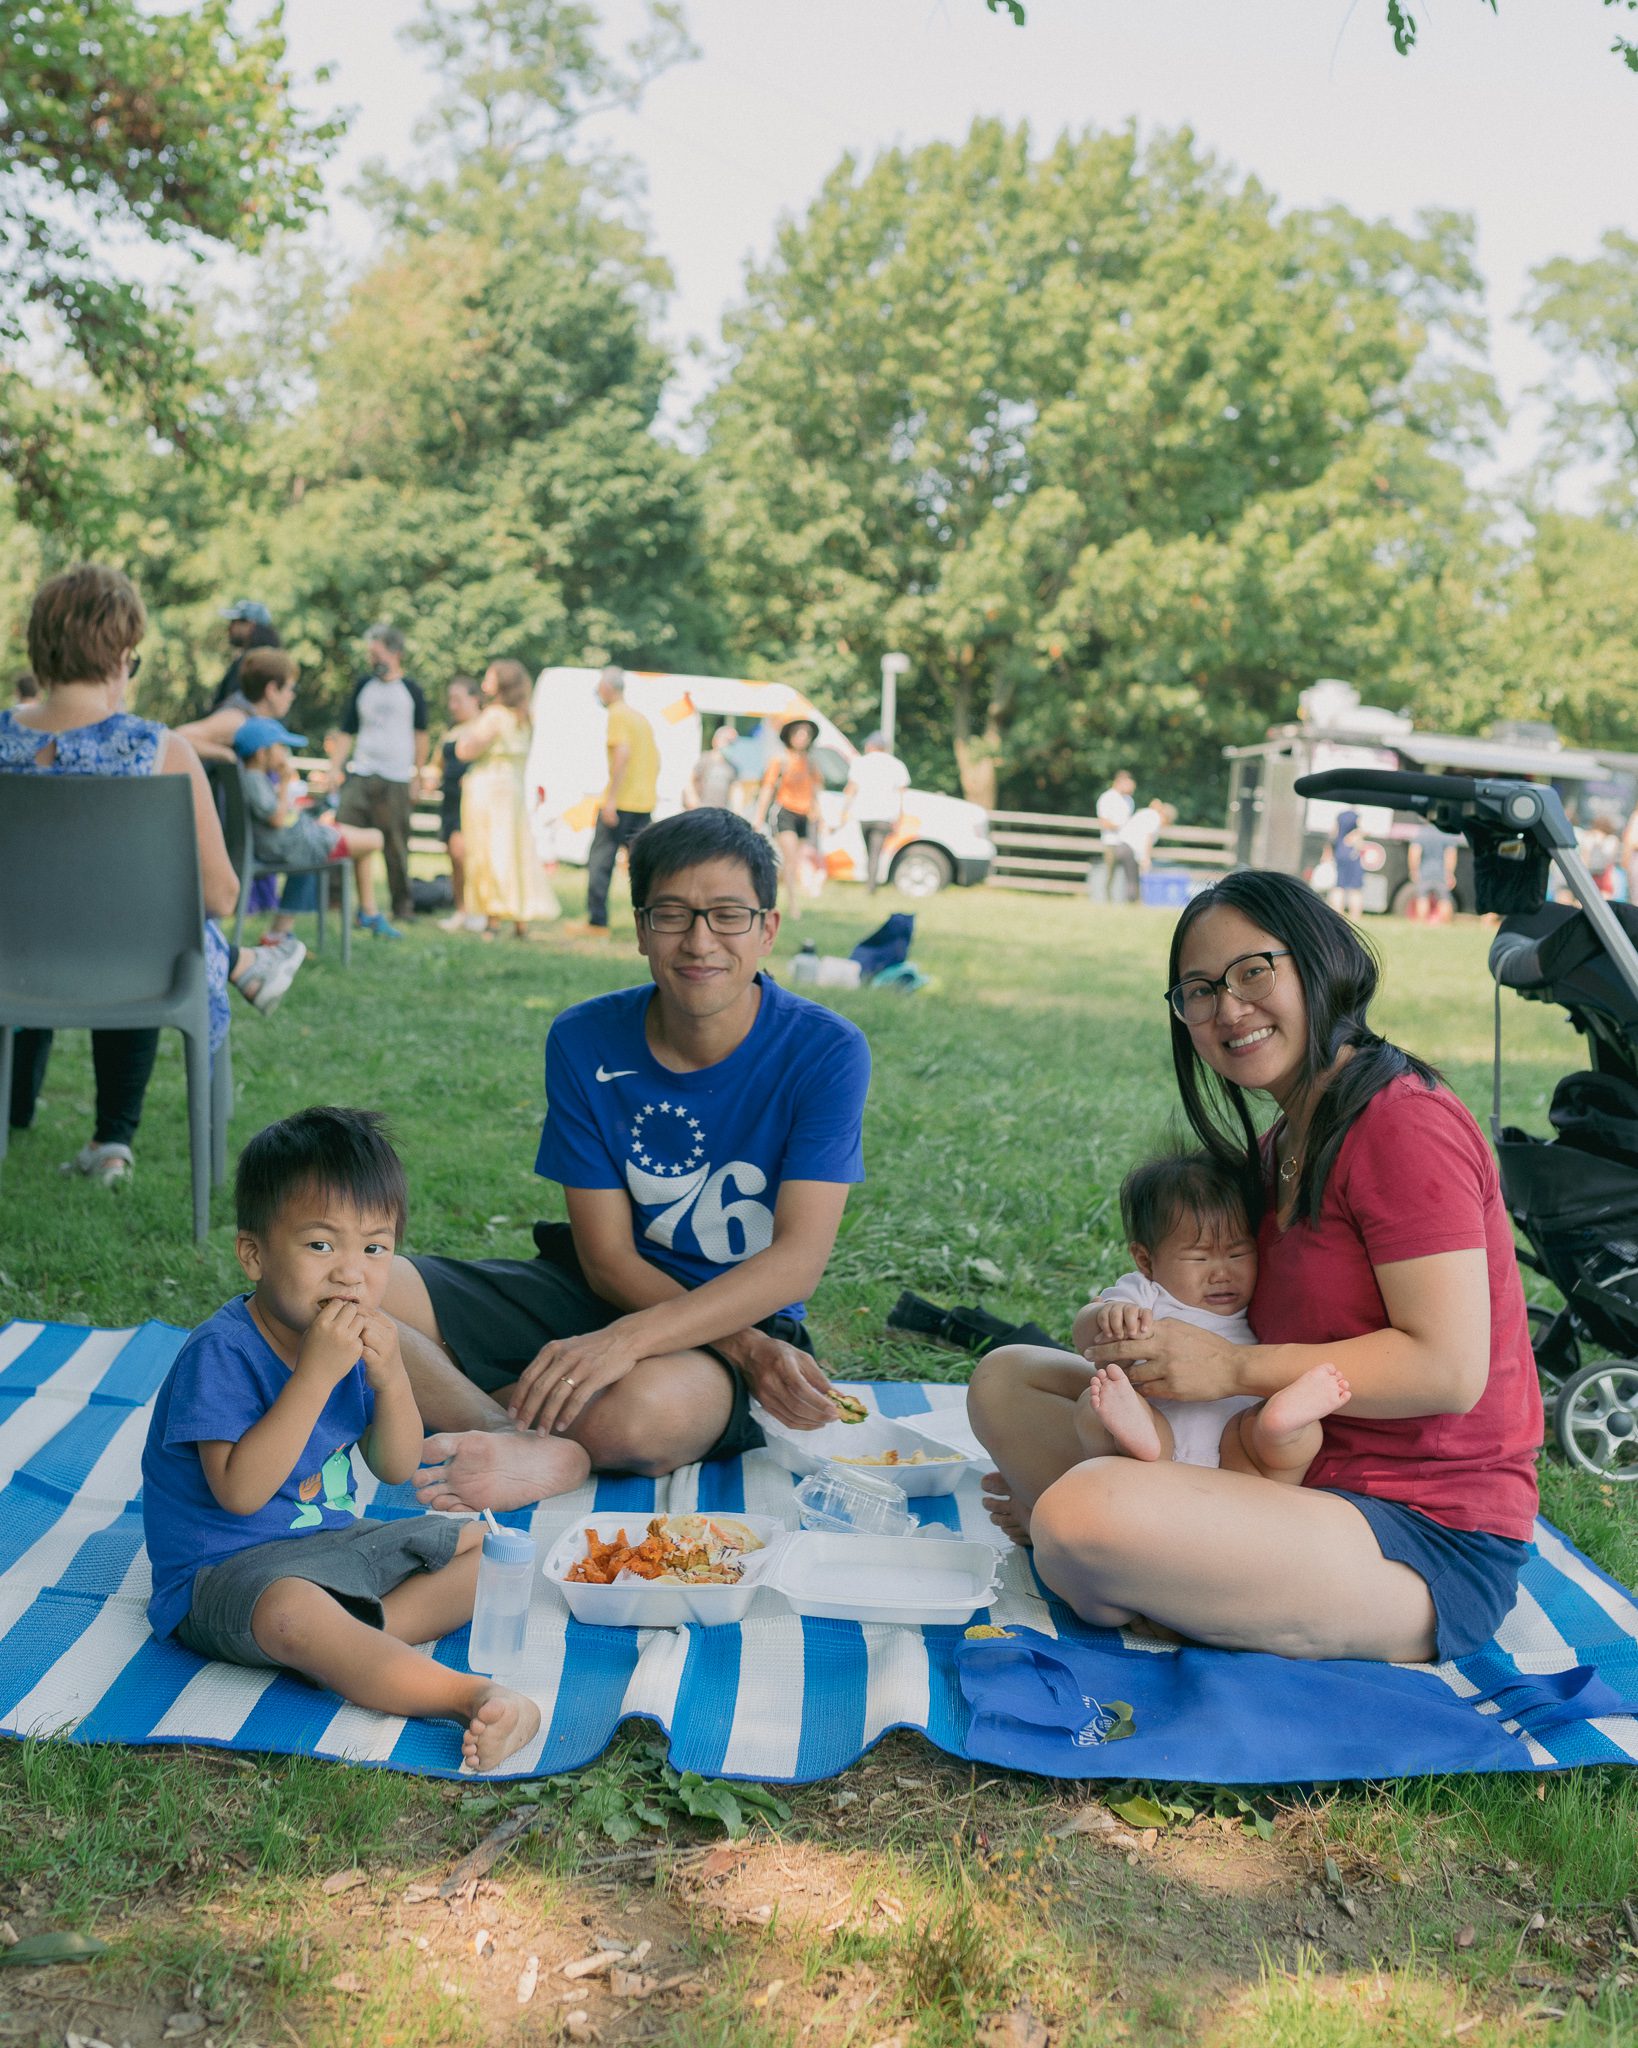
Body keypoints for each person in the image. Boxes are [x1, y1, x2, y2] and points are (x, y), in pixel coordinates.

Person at [968, 869, 1542, 1665]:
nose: (1228, 1009)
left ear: (1318, 959)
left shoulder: (1404, 1125)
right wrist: (1138, 1335)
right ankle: (1154, 1569)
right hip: (1275, 1473)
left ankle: (1113, 1565)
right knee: (1007, 1377)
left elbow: (1447, 1370)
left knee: (1078, 1516)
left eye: (1252, 972)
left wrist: (1232, 1365)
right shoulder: (1283, 1143)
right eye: (1199, 990)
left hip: (1416, 1534)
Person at [381, 807, 874, 1511]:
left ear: (767, 928)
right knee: (351, 1286)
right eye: (672, 914)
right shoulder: (585, 1038)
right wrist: (614, 1341)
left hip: (736, 1323)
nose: (700, 940)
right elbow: (607, 1258)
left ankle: (426, 1388)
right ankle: (504, 1428)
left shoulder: (826, 1051)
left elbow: (797, 1261)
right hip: (594, 1291)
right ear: (642, 929)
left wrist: (725, 1347)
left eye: (728, 915)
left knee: (638, 1420)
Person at [140, 1107, 549, 1770]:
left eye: (375, 1247)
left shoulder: (358, 1340)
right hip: (222, 1574)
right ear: (254, 1254)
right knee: (297, 1612)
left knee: (487, 1550)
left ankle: (362, 1641)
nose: (350, 1272)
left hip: (327, 1545)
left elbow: (392, 1467)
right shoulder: (222, 1353)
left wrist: (391, 1381)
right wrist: (315, 1375)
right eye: (321, 1245)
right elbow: (241, 1492)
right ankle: (471, 1698)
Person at [1, 565, 305, 1188]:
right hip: (133, 972)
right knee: (150, 932)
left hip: (13, 966)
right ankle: (114, 1142)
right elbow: (220, 895)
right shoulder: (159, 750)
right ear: (118, 655)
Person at [1071, 1151, 1350, 1484]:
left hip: (1240, 1446)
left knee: (1287, 1438)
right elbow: (1086, 1338)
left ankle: (1281, 1426)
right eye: (1199, 1258)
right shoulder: (1146, 1293)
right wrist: (1105, 1315)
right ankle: (1137, 1434)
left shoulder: (1262, 1293)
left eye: (1237, 1253)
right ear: (1146, 1260)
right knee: (1093, 1404)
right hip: (1161, 1436)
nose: (1222, 1273)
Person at [234, 717, 391, 940]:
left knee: (362, 840)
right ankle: (368, 912)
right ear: (262, 753)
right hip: (291, 845)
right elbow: (277, 819)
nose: (285, 753)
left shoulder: (251, 778)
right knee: (375, 838)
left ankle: (367, 911)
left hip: (294, 840)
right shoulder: (254, 779)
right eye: (281, 747)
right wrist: (286, 781)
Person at [327, 622, 428, 933]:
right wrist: (334, 767)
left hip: (396, 776)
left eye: (377, 652)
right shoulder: (363, 687)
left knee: (395, 843)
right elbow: (346, 731)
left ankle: (402, 905)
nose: (372, 659)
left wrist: (417, 774)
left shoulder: (411, 690)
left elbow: (421, 735)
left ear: (395, 653)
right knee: (342, 834)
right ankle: (334, 901)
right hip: (362, 772)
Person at [455, 659, 560, 940]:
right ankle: (520, 921)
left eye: (489, 677)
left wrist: (464, 737)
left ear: (502, 683)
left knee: (490, 852)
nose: (485, 681)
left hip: (488, 791)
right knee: (517, 850)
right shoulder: (524, 717)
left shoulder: (494, 716)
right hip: (513, 791)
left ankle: (493, 919)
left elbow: (466, 750)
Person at [566, 667, 659, 937]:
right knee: (643, 867)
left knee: (600, 861)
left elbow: (622, 755)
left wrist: (611, 800)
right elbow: (657, 759)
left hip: (622, 804)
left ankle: (597, 922)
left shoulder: (617, 715)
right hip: (644, 803)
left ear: (608, 688)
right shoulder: (640, 718)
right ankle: (654, 921)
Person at [754, 716, 825, 921]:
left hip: (803, 815)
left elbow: (816, 790)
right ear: (790, 736)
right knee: (791, 859)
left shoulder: (810, 763)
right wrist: (759, 817)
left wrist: (819, 814)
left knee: (791, 863)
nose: (803, 737)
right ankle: (793, 906)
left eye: (806, 734)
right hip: (783, 812)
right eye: (799, 733)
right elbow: (767, 788)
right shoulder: (780, 760)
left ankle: (763, 891)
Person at [176, 648, 301, 765]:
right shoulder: (236, 719)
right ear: (272, 690)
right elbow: (179, 737)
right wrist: (227, 755)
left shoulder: (250, 719)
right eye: (290, 688)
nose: (292, 696)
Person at [432, 675, 484, 933]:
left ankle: (479, 909)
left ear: (474, 699)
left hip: (474, 801)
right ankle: (461, 909)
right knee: (454, 855)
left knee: (467, 854)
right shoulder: (450, 732)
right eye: (450, 700)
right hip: (450, 799)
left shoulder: (483, 727)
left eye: (458, 699)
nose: (452, 705)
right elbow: (437, 763)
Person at [840, 731, 910, 892]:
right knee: (876, 851)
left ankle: (870, 884)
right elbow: (902, 794)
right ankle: (872, 884)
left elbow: (851, 789)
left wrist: (843, 811)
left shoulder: (860, 763)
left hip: (864, 815)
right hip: (885, 816)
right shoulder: (896, 764)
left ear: (870, 746)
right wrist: (900, 818)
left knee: (869, 850)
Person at [209, 600, 280, 710]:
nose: (229, 628)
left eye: (234, 622)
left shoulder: (253, 662)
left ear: (250, 625)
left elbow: (234, 704)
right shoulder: (271, 659)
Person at [1110, 797, 1175, 905]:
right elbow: (1147, 839)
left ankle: (1129, 901)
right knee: (1132, 878)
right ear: (1166, 817)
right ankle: (1132, 902)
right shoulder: (1155, 818)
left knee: (1127, 876)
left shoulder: (1148, 813)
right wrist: (1146, 858)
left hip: (1121, 845)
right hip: (1128, 848)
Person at [1095, 768, 1138, 902]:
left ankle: (1131, 899)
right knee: (1110, 873)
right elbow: (1104, 822)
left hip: (1126, 842)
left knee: (1131, 873)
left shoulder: (1129, 800)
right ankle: (1106, 899)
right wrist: (1121, 825)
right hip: (1110, 841)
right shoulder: (1107, 798)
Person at [1406, 819, 1459, 923]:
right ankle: (1445, 923)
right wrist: (1450, 873)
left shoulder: (1422, 833)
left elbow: (1414, 853)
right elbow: (1450, 855)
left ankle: (1422, 922)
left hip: (1424, 872)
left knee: (1422, 897)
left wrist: (1414, 870)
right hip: (1441, 873)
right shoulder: (1446, 833)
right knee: (1444, 899)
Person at [684, 723, 738, 811]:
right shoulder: (705, 759)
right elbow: (690, 780)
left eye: (733, 742)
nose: (730, 745)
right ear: (716, 741)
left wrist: (737, 811)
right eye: (728, 741)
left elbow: (735, 789)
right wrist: (693, 801)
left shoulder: (732, 767)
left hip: (720, 812)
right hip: (702, 810)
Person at [1329, 807, 1366, 919]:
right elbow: (1363, 830)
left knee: (1339, 885)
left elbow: (1333, 834)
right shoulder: (1356, 816)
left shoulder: (1340, 815)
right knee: (1355, 888)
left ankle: (1337, 914)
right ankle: (1355, 916)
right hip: (1352, 854)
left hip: (1340, 851)